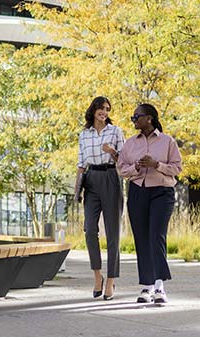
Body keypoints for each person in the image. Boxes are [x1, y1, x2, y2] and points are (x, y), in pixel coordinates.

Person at [118, 103, 182, 304]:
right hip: (138, 192)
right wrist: (136, 166)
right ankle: (146, 286)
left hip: (162, 193)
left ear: (150, 119)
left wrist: (156, 165)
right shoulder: (130, 144)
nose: (134, 120)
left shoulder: (167, 141)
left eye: (137, 117)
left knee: (156, 236)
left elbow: (177, 168)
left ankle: (159, 287)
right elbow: (121, 169)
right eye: (133, 117)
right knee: (142, 239)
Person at [75, 96, 125, 300]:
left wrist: (112, 152)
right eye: (101, 108)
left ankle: (111, 281)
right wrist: (76, 189)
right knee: (90, 231)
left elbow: (125, 161)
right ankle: (98, 276)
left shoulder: (116, 131)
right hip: (91, 180)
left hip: (111, 177)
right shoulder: (84, 134)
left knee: (112, 234)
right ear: (93, 109)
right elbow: (80, 163)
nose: (104, 112)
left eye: (107, 109)